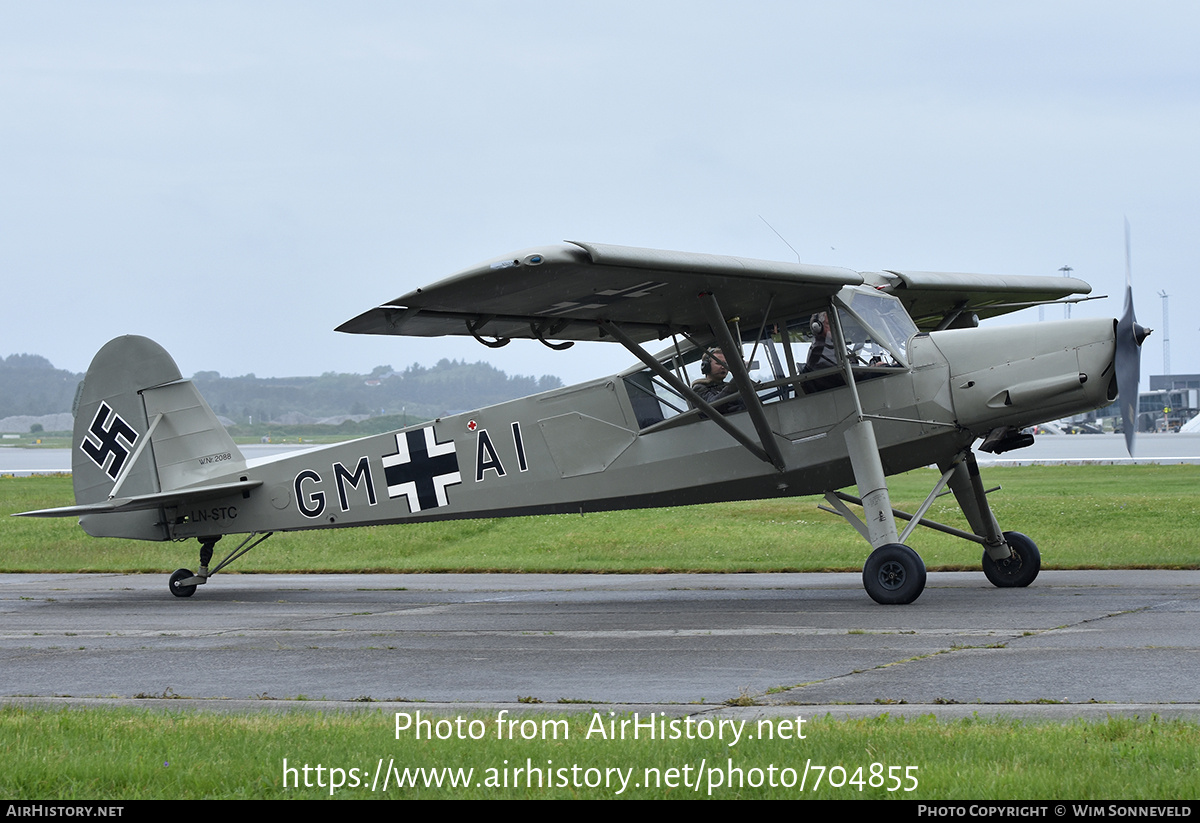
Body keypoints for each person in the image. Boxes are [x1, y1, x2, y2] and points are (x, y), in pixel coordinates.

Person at [691, 348, 745, 413]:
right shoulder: (699, 388)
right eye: (718, 363)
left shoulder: (728, 386)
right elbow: (713, 406)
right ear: (706, 366)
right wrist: (737, 380)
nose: (723, 367)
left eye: (725, 363)